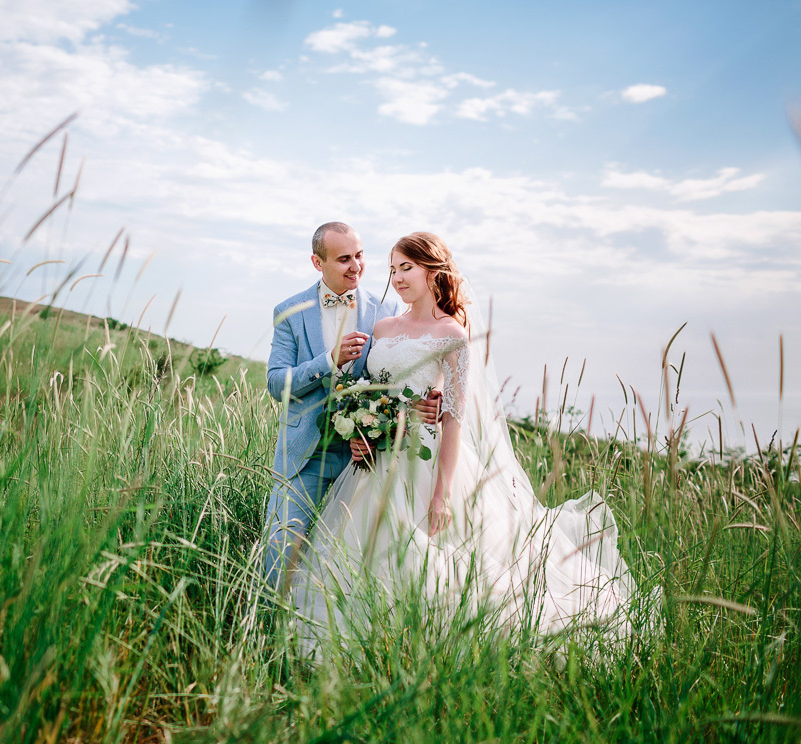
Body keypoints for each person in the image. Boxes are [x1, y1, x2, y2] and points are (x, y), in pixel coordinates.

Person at [289, 232, 645, 652]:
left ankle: (427, 640)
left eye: (407, 268)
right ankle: (369, 641)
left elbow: (454, 417)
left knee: (429, 554)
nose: (397, 278)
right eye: (392, 270)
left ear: (431, 271)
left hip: (424, 458)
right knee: (362, 553)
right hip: (375, 462)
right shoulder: (383, 327)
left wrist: (441, 492)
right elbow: (370, 389)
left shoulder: (452, 333)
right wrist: (362, 428)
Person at [263, 222, 439, 590]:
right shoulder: (290, 312)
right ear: (317, 262)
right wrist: (327, 360)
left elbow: (402, 376)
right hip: (304, 457)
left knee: (359, 563)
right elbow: (277, 383)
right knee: (281, 552)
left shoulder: (388, 309)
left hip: (369, 459)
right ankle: (265, 636)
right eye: (344, 259)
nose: (356, 266)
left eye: (360, 255)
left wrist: (427, 399)